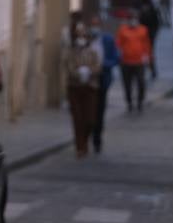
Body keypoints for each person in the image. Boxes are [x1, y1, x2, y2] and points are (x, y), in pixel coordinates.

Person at [61, 23, 102, 158]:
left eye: (83, 33)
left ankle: (84, 140)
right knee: (77, 118)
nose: (81, 36)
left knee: (90, 119)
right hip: (75, 87)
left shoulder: (93, 50)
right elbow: (67, 65)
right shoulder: (71, 51)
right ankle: (80, 146)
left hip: (90, 87)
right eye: (78, 33)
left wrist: (89, 72)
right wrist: (78, 74)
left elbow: (98, 65)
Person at [90, 17, 120, 153]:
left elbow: (116, 57)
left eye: (96, 25)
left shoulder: (107, 40)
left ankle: (97, 137)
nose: (94, 27)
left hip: (102, 78)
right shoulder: (86, 40)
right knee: (88, 109)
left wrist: (104, 65)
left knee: (99, 110)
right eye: (92, 25)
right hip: (88, 79)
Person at [115, 11, 152, 113]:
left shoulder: (143, 30)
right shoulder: (123, 30)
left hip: (139, 61)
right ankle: (129, 101)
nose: (133, 21)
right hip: (126, 61)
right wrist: (118, 56)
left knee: (141, 82)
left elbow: (147, 44)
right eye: (131, 19)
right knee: (127, 83)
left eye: (135, 19)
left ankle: (140, 100)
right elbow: (118, 44)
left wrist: (148, 57)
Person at [136, 0, 162, 81]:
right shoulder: (142, 11)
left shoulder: (153, 11)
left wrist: (153, 34)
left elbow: (157, 23)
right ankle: (143, 71)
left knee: (149, 53)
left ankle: (152, 71)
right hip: (142, 35)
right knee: (143, 53)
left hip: (150, 36)